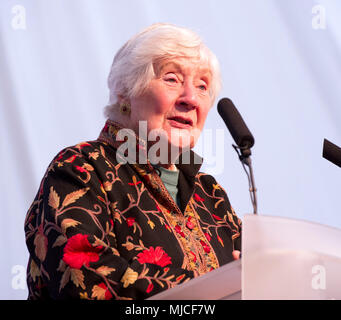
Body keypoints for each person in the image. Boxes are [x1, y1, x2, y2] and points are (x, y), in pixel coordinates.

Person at [24, 23, 242, 300]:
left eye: (202, 86)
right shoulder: (80, 169)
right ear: (125, 93)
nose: (191, 99)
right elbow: (85, 281)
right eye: (172, 79)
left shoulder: (211, 196)